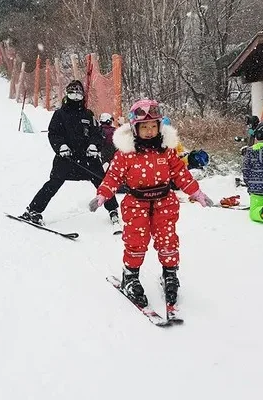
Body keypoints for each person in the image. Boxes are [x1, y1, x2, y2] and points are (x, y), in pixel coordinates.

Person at [88, 99, 213, 307]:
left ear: (159, 127)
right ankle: (131, 276)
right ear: (135, 128)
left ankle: (170, 274)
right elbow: (113, 177)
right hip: (136, 203)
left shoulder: (167, 151)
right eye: (144, 127)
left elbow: (181, 174)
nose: (149, 131)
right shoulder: (125, 154)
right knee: (136, 241)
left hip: (164, 203)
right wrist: (102, 195)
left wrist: (197, 193)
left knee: (168, 240)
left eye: (153, 126)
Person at [21, 80, 120, 226]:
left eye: (78, 95)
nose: (75, 98)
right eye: (72, 94)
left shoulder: (88, 114)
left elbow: (97, 134)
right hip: (66, 158)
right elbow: (54, 133)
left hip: (88, 158)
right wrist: (61, 147)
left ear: (83, 97)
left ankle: (113, 211)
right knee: (53, 182)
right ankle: (33, 210)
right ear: (67, 95)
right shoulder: (60, 114)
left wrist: (94, 145)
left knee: (102, 181)